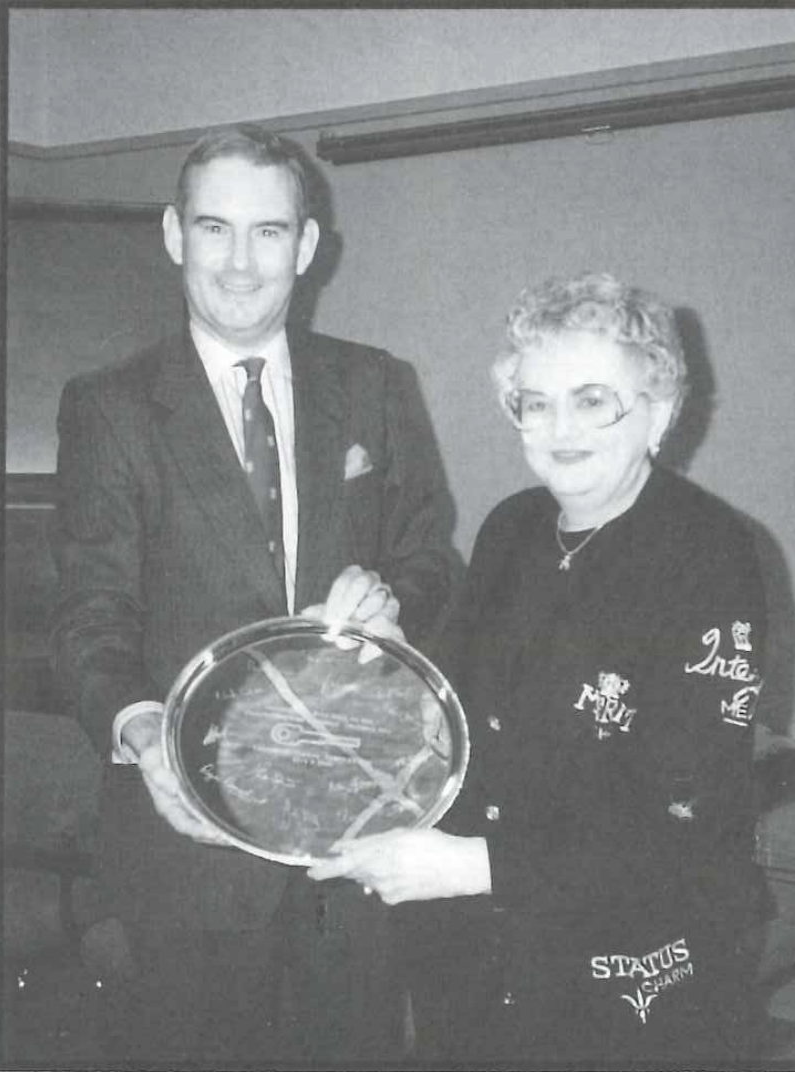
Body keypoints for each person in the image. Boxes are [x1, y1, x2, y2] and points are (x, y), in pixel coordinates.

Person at [49, 123, 454, 1065]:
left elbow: (432, 560)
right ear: (173, 235)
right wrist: (145, 733)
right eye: (214, 228)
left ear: (306, 247)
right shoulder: (108, 407)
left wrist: (394, 600)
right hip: (186, 852)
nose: (240, 263)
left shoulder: (376, 385)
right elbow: (90, 614)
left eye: (268, 232)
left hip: (355, 837)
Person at [309, 272, 771, 1066]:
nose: (561, 428)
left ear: (659, 411)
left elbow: (685, 818)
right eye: (536, 402)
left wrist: (470, 867)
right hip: (482, 961)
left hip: (628, 972)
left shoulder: (710, 555)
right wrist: (387, 642)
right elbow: (454, 709)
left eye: (593, 401)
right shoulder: (514, 526)